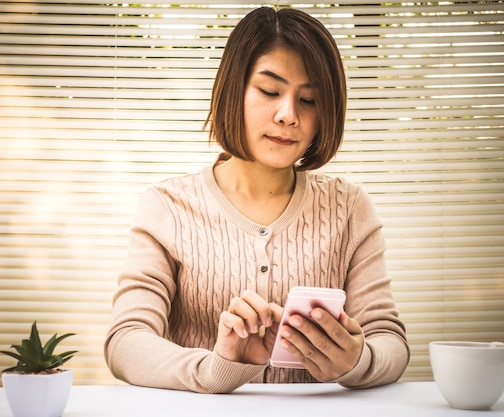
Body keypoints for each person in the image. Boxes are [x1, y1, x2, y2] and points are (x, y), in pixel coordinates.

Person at [104, 6, 409, 394]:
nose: (288, 115)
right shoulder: (167, 205)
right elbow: (126, 342)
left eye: (310, 100)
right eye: (269, 91)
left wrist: (359, 361)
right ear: (234, 88)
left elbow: (391, 343)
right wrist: (217, 368)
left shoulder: (350, 208)